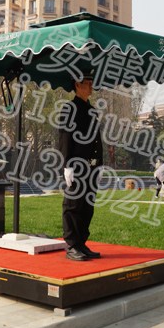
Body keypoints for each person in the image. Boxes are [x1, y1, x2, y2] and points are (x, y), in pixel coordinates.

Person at [58, 71, 103, 262]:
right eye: (87, 82)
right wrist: (67, 165)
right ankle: (72, 246)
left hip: (91, 167)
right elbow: (65, 137)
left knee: (87, 206)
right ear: (77, 84)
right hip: (76, 166)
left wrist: (99, 163)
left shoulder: (91, 109)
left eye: (92, 82)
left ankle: (81, 243)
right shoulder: (70, 109)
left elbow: (96, 139)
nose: (91, 85)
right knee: (73, 206)